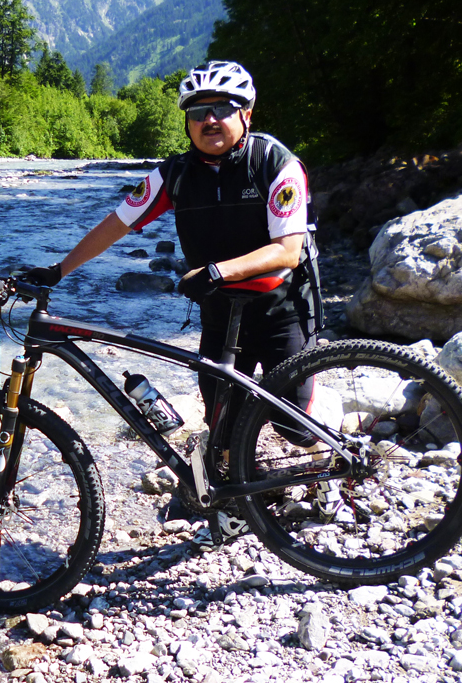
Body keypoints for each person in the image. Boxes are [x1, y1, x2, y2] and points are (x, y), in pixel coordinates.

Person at [23, 61, 322, 538]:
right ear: (186, 121)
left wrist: (219, 270)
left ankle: (328, 476)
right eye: (198, 112)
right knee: (219, 419)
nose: (209, 121)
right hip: (221, 309)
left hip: (281, 306)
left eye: (222, 109)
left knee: (296, 426)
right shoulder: (176, 174)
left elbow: (287, 250)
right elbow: (117, 223)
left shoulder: (275, 163)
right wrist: (58, 270)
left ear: (246, 113)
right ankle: (231, 502)